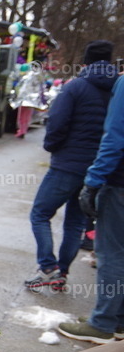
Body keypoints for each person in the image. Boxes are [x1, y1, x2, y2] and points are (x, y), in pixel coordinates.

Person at [25, 41, 116, 293]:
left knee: (40, 214)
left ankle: (47, 267)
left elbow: (57, 122)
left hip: (67, 165)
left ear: (85, 62)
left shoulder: (75, 87)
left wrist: (53, 146)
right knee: (75, 223)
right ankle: (61, 272)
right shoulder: (117, 90)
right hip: (96, 169)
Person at [58, 71, 124, 342]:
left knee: (112, 253)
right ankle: (117, 320)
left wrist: (94, 180)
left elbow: (115, 135)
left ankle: (103, 323)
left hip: (120, 183)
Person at [11, 63, 47, 138]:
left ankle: (21, 130)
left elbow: (19, 88)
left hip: (24, 100)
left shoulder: (26, 77)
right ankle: (23, 130)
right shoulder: (35, 77)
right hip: (31, 101)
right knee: (27, 116)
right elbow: (39, 88)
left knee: (22, 116)